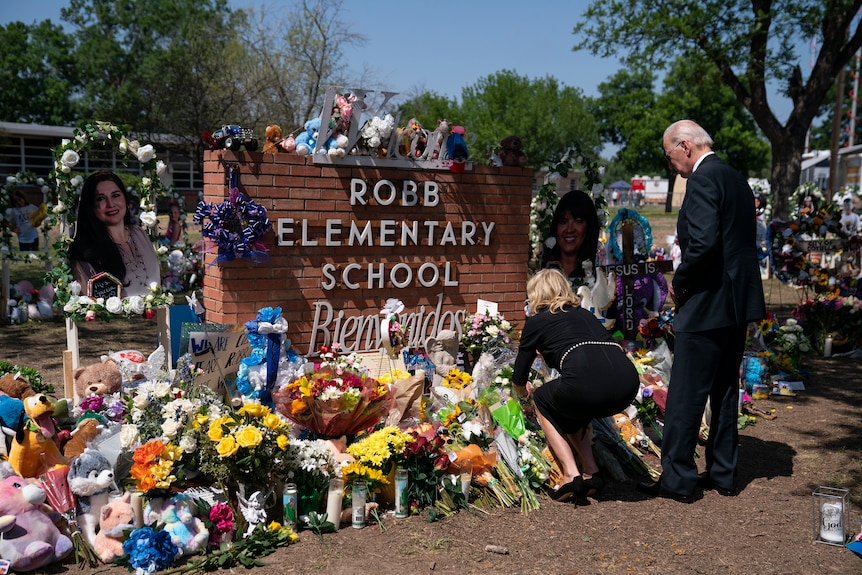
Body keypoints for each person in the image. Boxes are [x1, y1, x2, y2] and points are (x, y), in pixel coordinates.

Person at [638, 120, 766, 503]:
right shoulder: (735, 178)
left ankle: (678, 479)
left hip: (708, 300)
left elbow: (705, 243)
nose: (670, 163)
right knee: (725, 389)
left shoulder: (702, 179)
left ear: (686, 146)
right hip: (736, 302)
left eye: (669, 154)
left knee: (686, 393)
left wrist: (682, 280)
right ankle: (724, 472)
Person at [512, 268, 639, 502]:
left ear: (537, 295)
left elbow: (519, 375)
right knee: (574, 403)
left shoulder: (536, 321)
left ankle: (570, 474)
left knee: (543, 399)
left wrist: (522, 395)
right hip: (627, 384)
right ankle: (592, 472)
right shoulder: (585, 315)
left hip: (586, 385)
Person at [68, 170, 160, 297]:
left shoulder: (139, 233)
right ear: (91, 206)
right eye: (100, 198)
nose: (110, 204)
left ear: (125, 200)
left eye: (115, 195)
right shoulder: (85, 250)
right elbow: (91, 306)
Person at [541, 190, 601, 286]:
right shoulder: (543, 272)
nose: (569, 229)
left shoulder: (599, 274)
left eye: (578, 221)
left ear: (589, 227)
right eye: (563, 222)